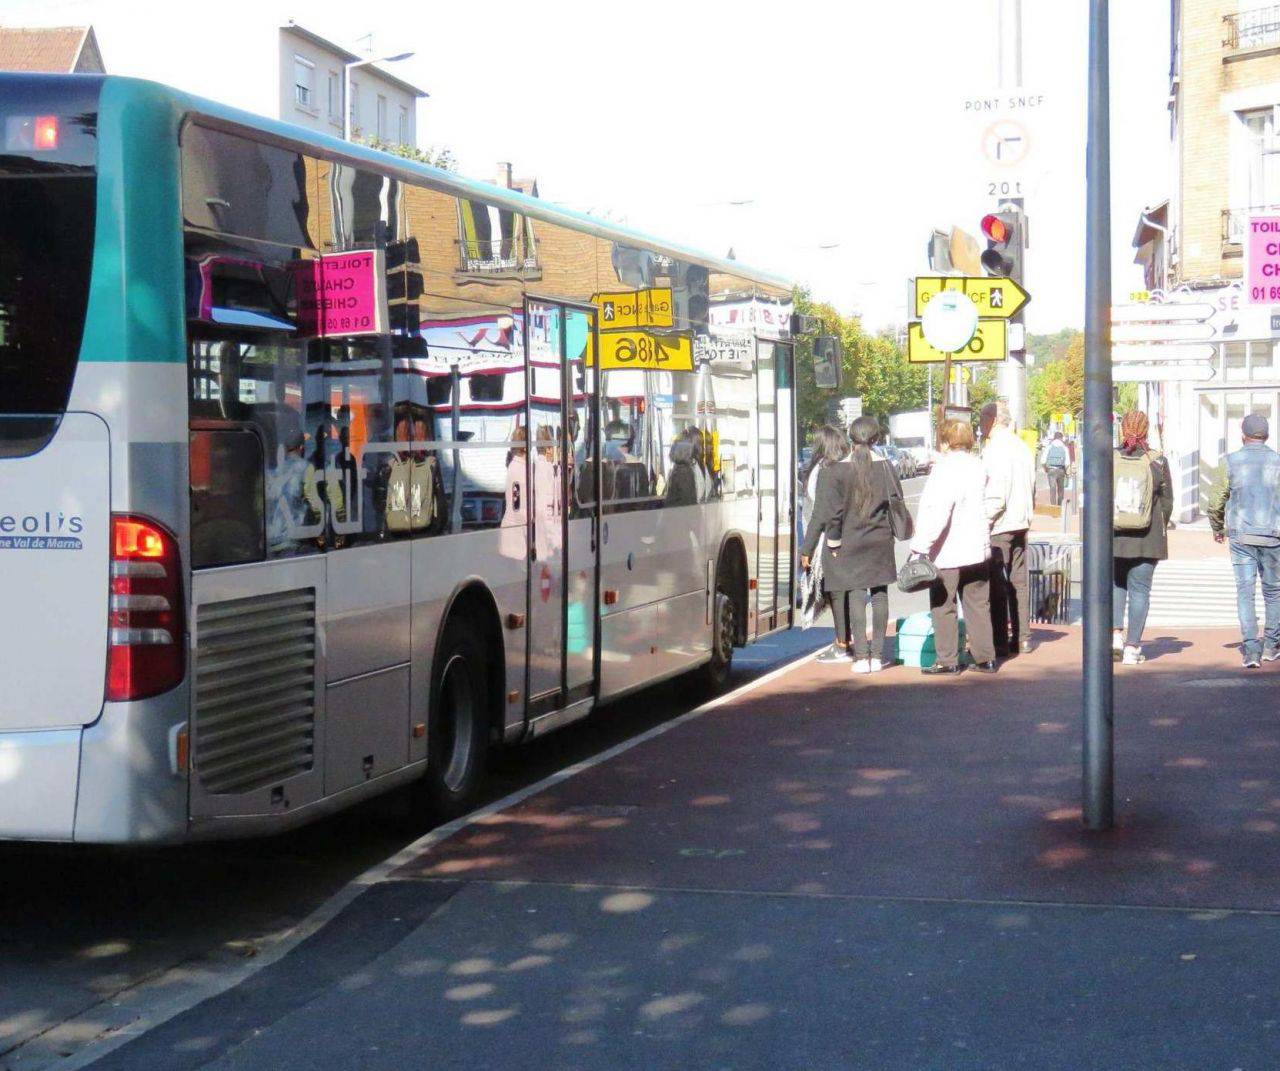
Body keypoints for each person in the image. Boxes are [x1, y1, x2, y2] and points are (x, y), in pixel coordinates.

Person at [804, 415, 901, 674]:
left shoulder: (835, 470)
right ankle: (878, 656)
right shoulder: (887, 467)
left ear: (851, 438)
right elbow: (895, 503)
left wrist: (833, 543)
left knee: (857, 595)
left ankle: (861, 656)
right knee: (880, 594)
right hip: (881, 540)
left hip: (850, 541)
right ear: (877, 438)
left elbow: (831, 514)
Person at [908, 419, 997, 675]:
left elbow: (938, 512)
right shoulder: (979, 466)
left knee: (943, 604)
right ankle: (985, 658)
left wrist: (920, 547)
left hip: (949, 550)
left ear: (945, 440)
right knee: (978, 604)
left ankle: (947, 659)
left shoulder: (945, 470)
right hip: (977, 548)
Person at [1208, 412, 1280, 668]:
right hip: (1273, 535)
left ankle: (1251, 650)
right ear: (1267, 436)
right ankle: (1271, 645)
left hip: (1241, 536)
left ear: (1243, 436)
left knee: (1245, 592)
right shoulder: (1278, 461)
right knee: (1273, 591)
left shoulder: (1230, 462)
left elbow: (1216, 500)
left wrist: (1217, 527)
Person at [1112, 410, 1173, 665]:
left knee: (1117, 585)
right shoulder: (1157, 461)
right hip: (1148, 539)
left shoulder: (1111, 459)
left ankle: (1115, 635)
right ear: (1146, 430)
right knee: (1140, 591)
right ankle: (1132, 648)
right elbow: (1167, 502)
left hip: (1115, 537)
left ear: (1122, 429)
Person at [980, 400, 1037, 657]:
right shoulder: (1022, 447)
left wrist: (985, 521)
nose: (980, 427)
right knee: (1019, 582)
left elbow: (996, 494)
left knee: (997, 585)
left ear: (991, 421)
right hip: (1021, 522)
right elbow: (1032, 485)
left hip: (1000, 525)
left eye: (982, 421)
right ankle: (1023, 637)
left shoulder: (994, 450)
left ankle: (1000, 640)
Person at [798, 424, 852, 663]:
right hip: (848, 535)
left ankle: (842, 643)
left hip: (827, 539)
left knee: (835, 591)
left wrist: (806, 548)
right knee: (844, 592)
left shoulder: (824, 470)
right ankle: (846, 640)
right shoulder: (847, 465)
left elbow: (819, 512)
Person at [1043, 431, 1069, 507]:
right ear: (1061, 438)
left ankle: (1053, 508)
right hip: (1061, 470)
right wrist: (1067, 471)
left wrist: (1046, 468)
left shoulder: (1049, 447)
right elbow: (1067, 462)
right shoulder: (1064, 448)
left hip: (1051, 470)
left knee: (1052, 488)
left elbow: (1043, 460)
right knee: (1061, 490)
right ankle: (1060, 506)